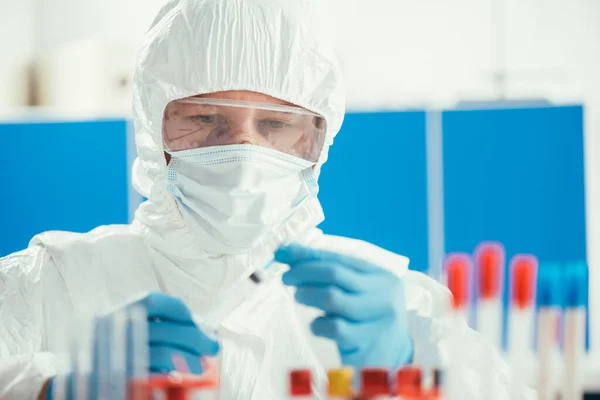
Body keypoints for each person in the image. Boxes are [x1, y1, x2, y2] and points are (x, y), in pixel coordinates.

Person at [0, 0, 527, 399]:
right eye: (206, 119)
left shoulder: (399, 307)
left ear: (317, 141)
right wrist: (54, 388)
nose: (243, 152)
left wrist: (416, 366)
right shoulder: (48, 285)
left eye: (276, 124)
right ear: (150, 130)